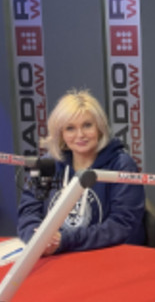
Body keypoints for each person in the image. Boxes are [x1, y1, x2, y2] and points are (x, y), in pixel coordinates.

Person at [17, 89, 145, 255]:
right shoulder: (46, 164)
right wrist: (38, 240)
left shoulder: (122, 165)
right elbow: (28, 213)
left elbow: (122, 226)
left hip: (106, 257)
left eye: (87, 125)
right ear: (61, 134)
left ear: (99, 128)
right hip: (54, 255)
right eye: (70, 128)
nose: (80, 135)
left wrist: (64, 241)